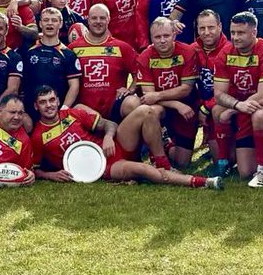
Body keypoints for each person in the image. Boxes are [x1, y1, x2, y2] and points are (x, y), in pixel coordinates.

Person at [29, 87, 219, 189]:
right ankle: (199, 182)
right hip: (104, 167)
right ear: (36, 107)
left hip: (113, 146)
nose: (49, 105)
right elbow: (33, 170)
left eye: (52, 100)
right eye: (43, 102)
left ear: (58, 100)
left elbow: (109, 125)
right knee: (143, 169)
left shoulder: (73, 113)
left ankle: (163, 164)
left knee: (146, 111)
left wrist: (108, 137)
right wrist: (51, 175)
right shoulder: (38, 136)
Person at [210, 12, 263, 187]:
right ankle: (223, 161)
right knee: (216, 110)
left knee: (259, 114)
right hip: (240, 105)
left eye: (240, 33)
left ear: (254, 32)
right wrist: (237, 105)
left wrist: (235, 108)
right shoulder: (225, 52)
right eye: (233, 32)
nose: (235, 37)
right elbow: (218, 93)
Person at [130, 17, 202, 169]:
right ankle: (157, 154)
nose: (162, 40)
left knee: (182, 163)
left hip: (187, 107)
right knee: (151, 111)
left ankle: (166, 145)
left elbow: (186, 89)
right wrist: (175, 104)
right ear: (151, 38)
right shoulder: (144, 57)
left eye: (166, 36)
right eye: (157, 37)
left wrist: (158, 96)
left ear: (174, 35)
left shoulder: (188, 52)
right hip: (164, 106)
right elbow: (149, 97)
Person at [68, 4, 139, 121]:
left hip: (115, 109)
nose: (98, 21)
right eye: (94, 18)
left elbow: (140, 72)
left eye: (102, 18)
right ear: (88, 20)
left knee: (134, 103)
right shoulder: (73, 49)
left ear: (108, 19)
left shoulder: (122, 47)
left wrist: (130, 90)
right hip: (84, 111)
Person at [21, 8, 82, 120]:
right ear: (40, 23)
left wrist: (64, 108)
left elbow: (74, 86)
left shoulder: (68, 54)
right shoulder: (29, 52)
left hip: (56, 113)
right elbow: (21, 84)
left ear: (60, 24)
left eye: (54, 20)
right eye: (46, 20)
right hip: (31, 112)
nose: (49, 23)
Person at [193, 10, 231, 162]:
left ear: (220, 27)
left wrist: (206, 107)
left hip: (222, 104)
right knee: (180, 160)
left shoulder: (231, 50)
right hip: (199, 102)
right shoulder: (192, 49)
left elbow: (231, 90)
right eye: (202, 28)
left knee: (221, 157)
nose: (206, 32)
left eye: (211, 27)